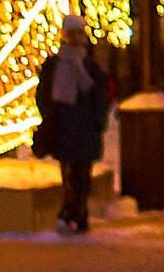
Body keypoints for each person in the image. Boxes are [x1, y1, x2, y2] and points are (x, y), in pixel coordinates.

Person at [34, 13, 113, 234]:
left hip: (85, 129)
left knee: (82, 175)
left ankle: (75, 212)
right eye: (72, 34)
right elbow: (44, 94)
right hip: (63, 128)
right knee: (69, 174)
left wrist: (97, 121)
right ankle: (74, 212)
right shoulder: (54, 65)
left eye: (79, 33)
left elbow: (100, 95)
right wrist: (50, 117)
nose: (76, 38)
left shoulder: (90, 66)